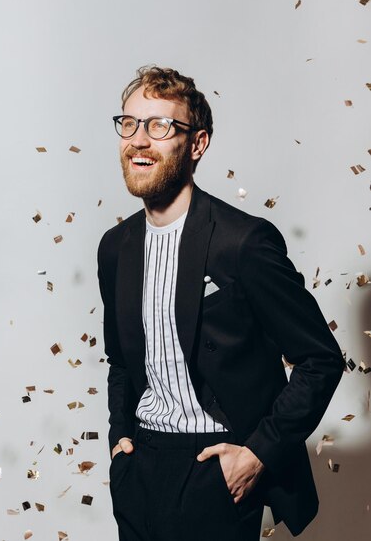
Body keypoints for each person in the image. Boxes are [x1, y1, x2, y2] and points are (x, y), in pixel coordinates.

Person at [97, 65, 345, 541]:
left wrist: (256, 455)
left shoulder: (244, 242)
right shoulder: (116, 246)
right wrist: (118, 441)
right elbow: (121, 362)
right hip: (139, 468)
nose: (139, 140)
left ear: (197, 144)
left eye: (160, 126)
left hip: (214, 468)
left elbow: (321, 359)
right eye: (129, 123)